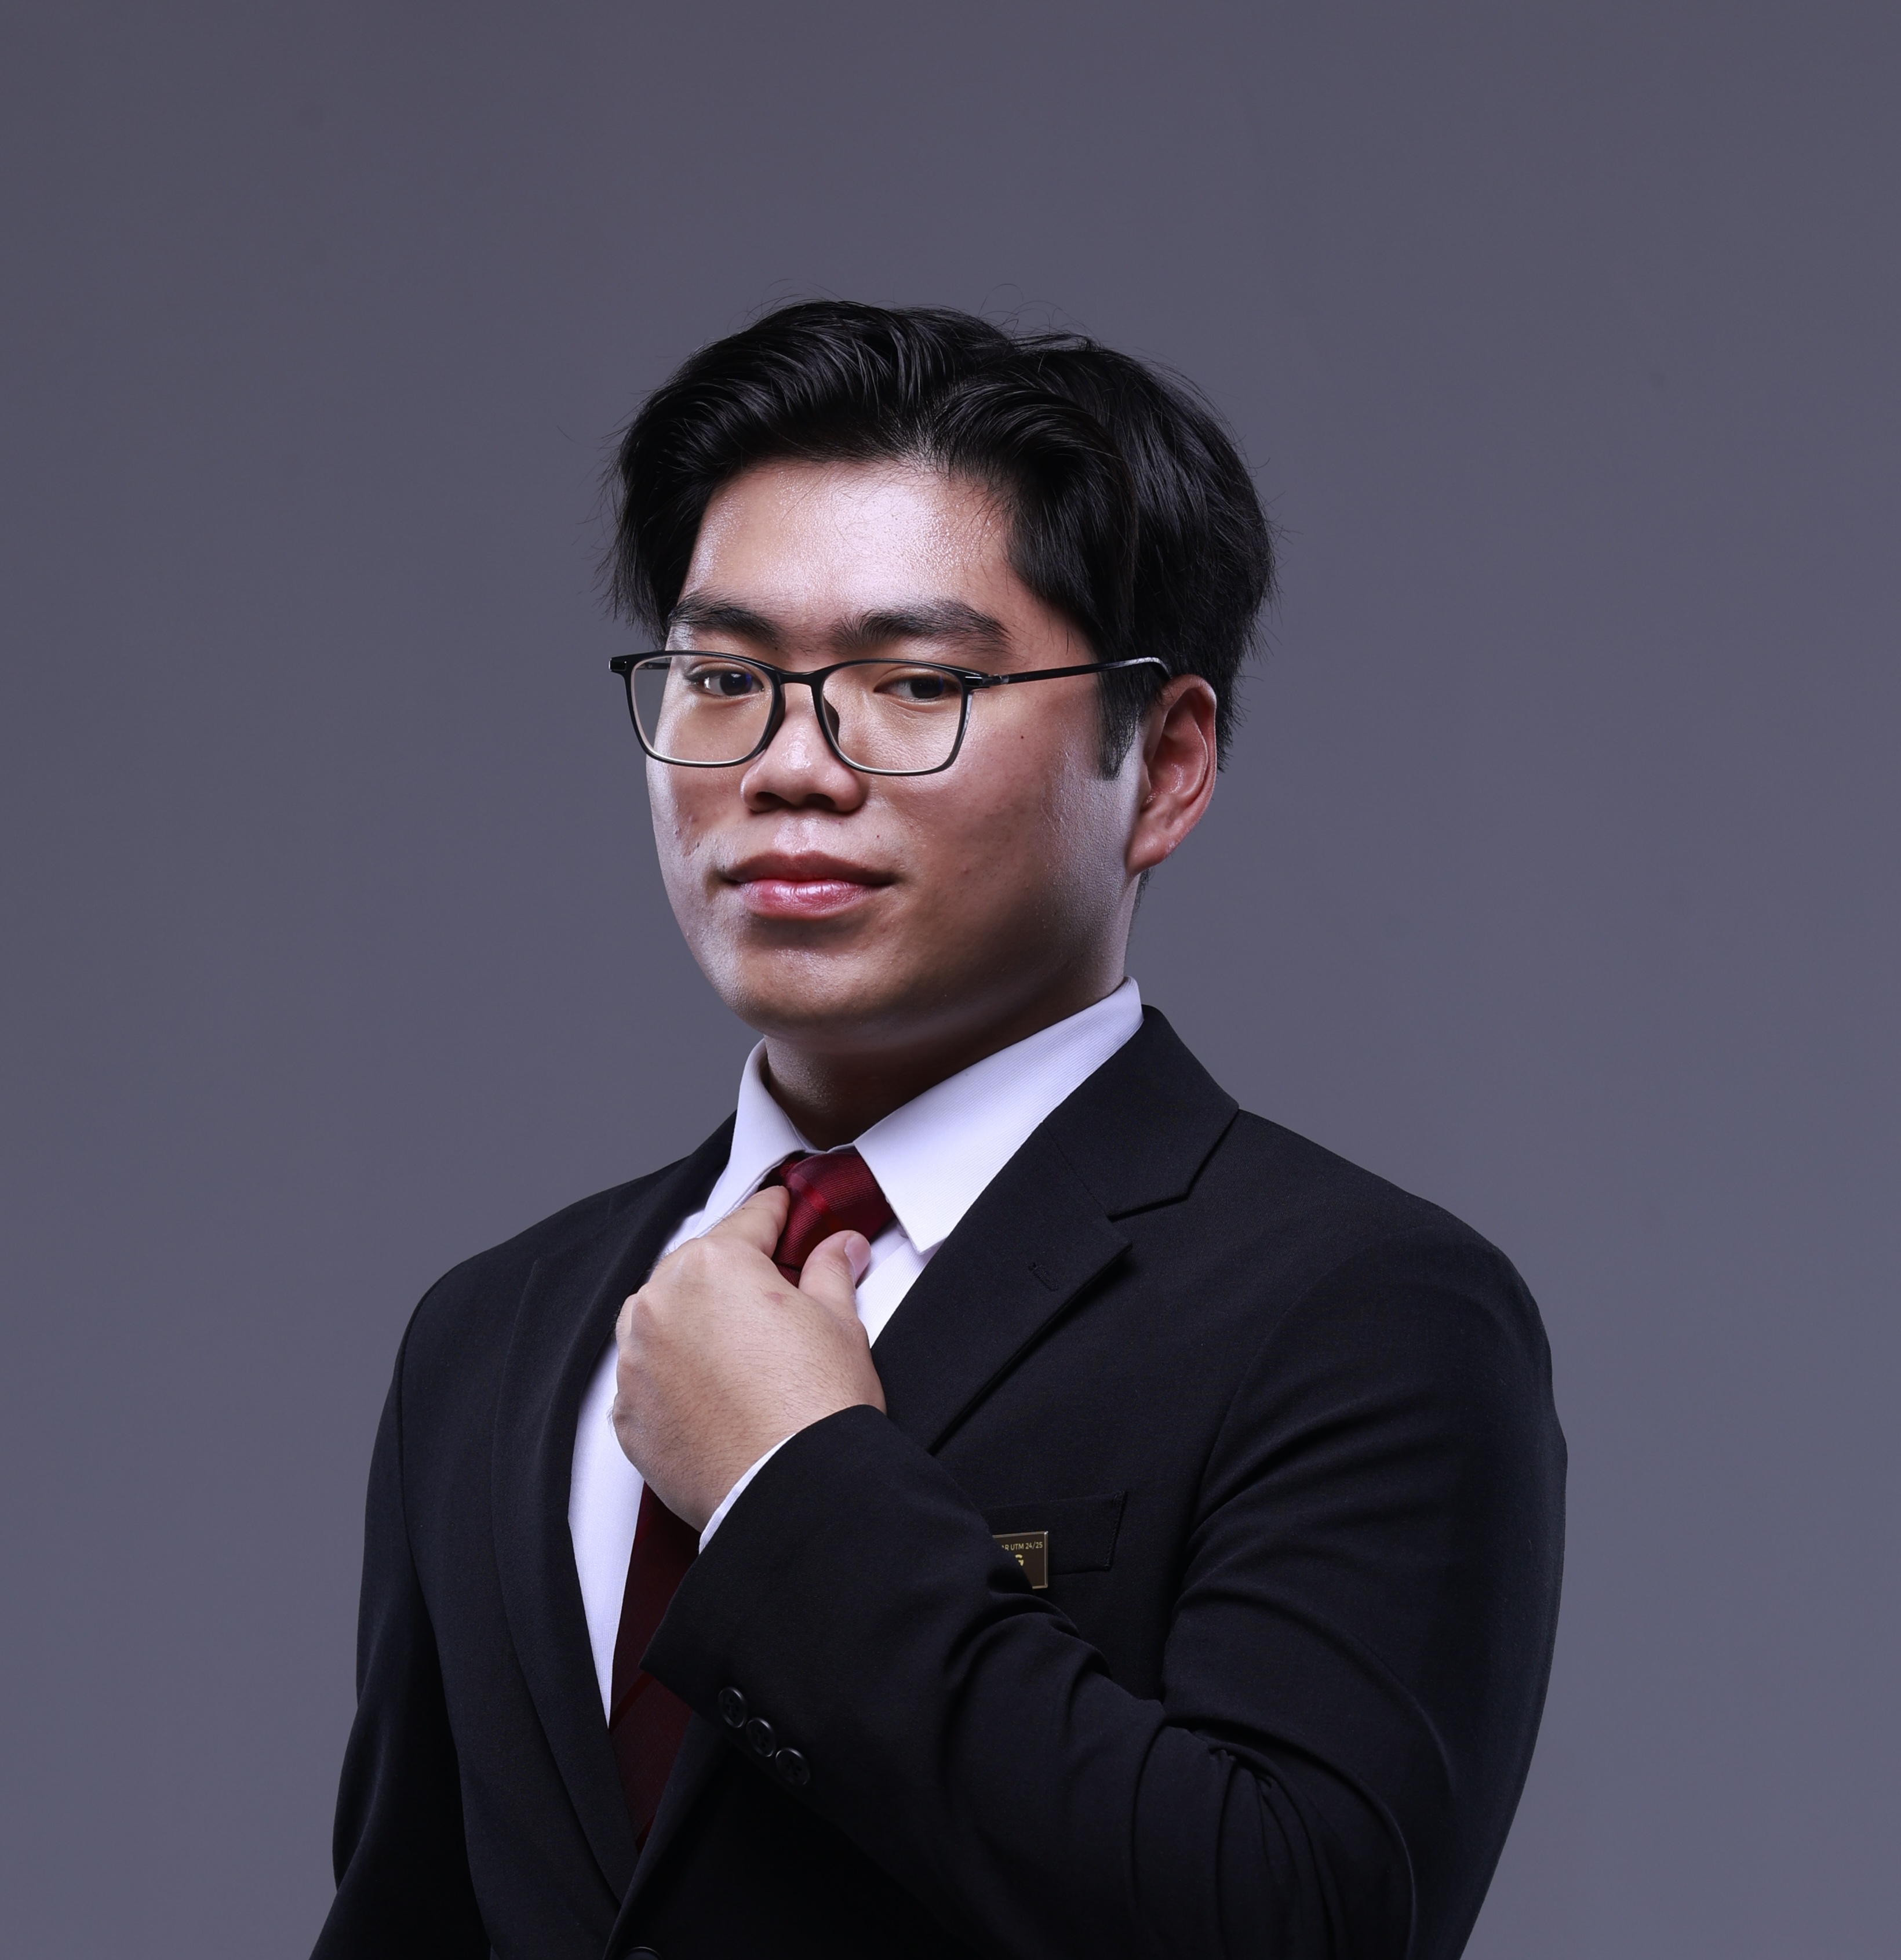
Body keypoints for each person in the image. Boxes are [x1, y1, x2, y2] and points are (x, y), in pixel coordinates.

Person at [314, 301, 1565, 1960]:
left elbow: (1295, 1923)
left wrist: (789, 1486)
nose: (789, 767)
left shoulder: (1364, 1311)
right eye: (724, 677)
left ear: (1165, 766)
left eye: (913, 684)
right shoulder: (492, 1334)